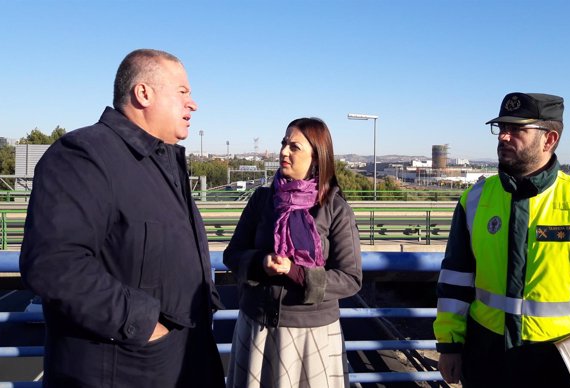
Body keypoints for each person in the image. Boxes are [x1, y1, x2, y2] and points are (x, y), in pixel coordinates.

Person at [19, 49, 225, 388]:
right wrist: (146, 326)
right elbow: (54, 264)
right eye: (183, 92)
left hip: (183, 363)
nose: (193, 104)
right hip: (124, 371)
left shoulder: (162, 165)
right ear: (143, 93)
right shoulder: (84, 156)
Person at [433, 92, 570, 388]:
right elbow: (455, 280)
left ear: (549, 139)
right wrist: (450, 345)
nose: (503, 137)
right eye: (501, 128)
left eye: (516, 129)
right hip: (486, 361)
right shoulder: (474, 200)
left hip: (560, 366)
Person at [223, 117, 362, 388]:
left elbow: (350, 277)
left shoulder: (335, 209)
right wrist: (261, 263)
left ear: (317, 158)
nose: (284, 152)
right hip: (257, 329)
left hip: (312, 336)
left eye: (294, 147)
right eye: (284, 143)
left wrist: (296, 272)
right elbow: (233, 254)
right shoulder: (262, 200)